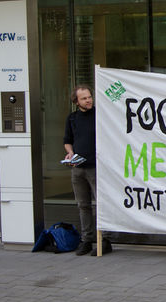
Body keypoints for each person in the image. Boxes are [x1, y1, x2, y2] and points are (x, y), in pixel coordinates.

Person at [64, 85, 113, 256]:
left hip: (95, 167)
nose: (89, 100)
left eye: (89, 96)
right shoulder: (72, 119)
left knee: (101, 203)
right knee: (83, 205)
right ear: (76, 102)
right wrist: (70, 153)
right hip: (78, 168)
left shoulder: (99, 115)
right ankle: (87, 240)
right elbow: (67, 140)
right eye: (84, 98)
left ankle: (104, 239)